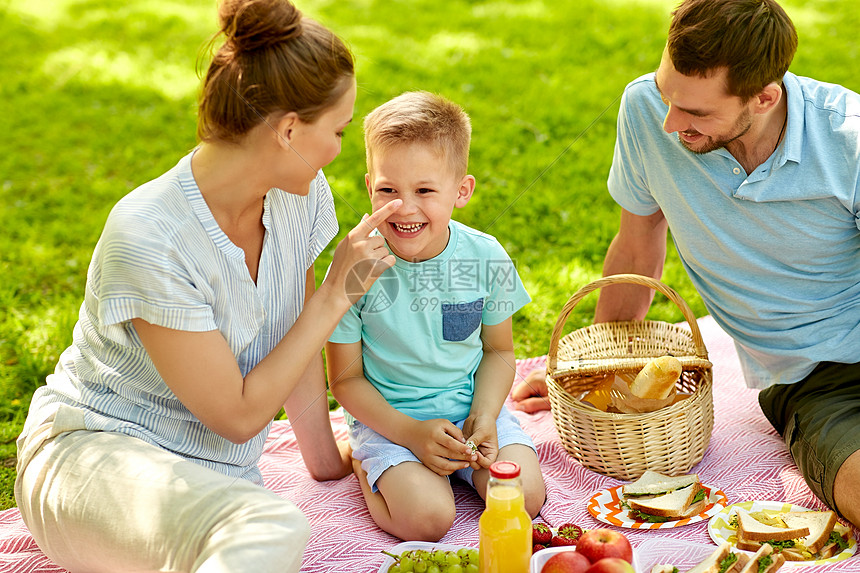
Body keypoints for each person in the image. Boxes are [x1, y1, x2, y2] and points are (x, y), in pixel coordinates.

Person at [14, 1, 403, 571]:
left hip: (214, 482)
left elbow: (290, 342)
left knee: (262, 529)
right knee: (269, 528)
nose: (340, 150)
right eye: (339, 130)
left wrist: (324, 460)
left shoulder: (301, 197)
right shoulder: (149, 233)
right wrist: (336, 295)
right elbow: (240, 417)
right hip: (93, 455)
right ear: (290, 130)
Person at [512, 0, 860, 527]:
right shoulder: (647, 111)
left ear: (766, 97)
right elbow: (635, 247)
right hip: (815, 379)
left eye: (696, 112)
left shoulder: (848, 138)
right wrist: (593, 372)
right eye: (667, 93)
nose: (671, 122)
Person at [325, 91, 546, 542]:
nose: (404, 208)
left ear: (461, 191)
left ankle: (456, 466)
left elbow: (499, 352)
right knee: (428, 520)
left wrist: (484, 415)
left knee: (524, 498)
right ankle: (365, 463)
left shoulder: (484, 257)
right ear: (370, 186)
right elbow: (344, 381)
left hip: (469, 414)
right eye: (388, 190)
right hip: (390, 420)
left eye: (424, 190)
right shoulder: (354, 266)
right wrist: (409, 433)